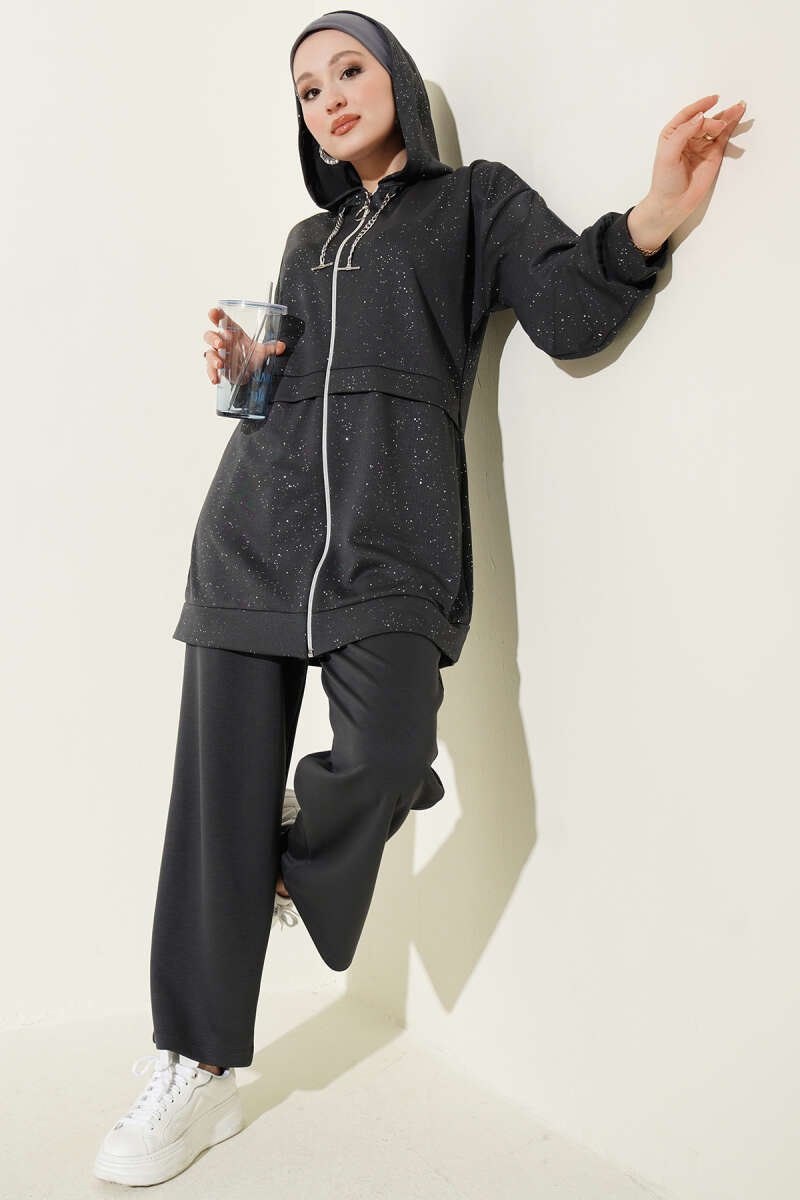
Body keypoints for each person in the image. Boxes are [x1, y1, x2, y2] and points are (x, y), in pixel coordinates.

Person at [94, 7, 746, 1186]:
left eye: (348, 69)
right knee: (211, 803)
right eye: (307, 89)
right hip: (250, 536)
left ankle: (283, 863)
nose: (329, 97)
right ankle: (194, 1068)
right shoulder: (305, 239)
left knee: (389, 749)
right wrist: (245, 374)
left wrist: (655, 212)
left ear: (393, 75)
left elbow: (566, 310)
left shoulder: (471, 203)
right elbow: (272, 403)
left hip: (391, 543)